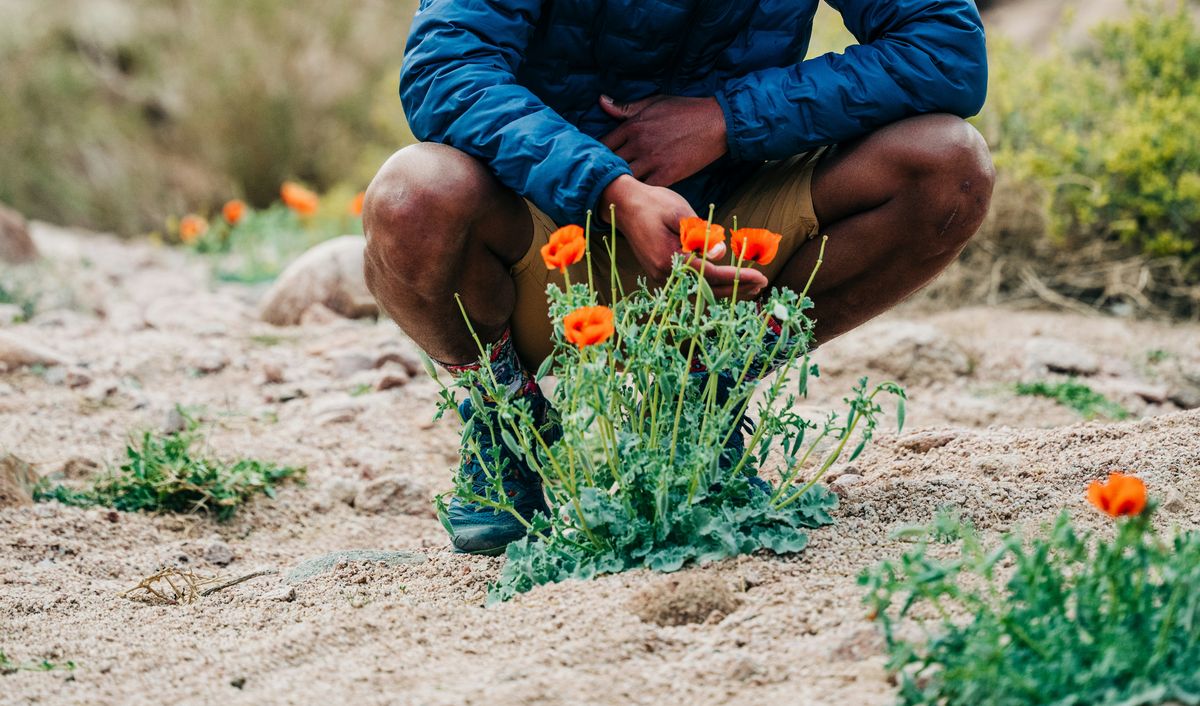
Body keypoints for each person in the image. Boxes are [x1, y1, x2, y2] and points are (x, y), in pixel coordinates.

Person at [363, 0, 996, 555]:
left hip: (729, 247)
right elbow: (444, 70)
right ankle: (509, 423)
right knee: (411, 196)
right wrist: (609, 187)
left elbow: (946, 50)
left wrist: (726, 119)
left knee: (948, 164)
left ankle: (703, 397)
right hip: (547, 239)